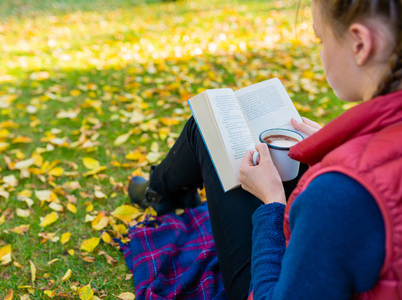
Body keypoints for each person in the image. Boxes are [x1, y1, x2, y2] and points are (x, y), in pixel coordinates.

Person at [128, 0, 402, 299]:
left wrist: (272, 204)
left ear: (360, 44)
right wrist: (340, 148)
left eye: (321, 39)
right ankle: (163, 192)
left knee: (204, 129)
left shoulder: (338, 191)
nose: (322, 52)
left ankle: (159, 194)